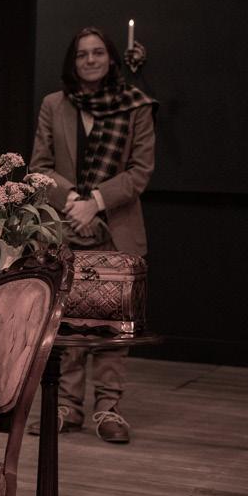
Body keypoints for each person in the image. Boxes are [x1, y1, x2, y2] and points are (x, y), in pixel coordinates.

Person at [31, 27, 156, 443]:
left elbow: (140, 171)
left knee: (113, 323)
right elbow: (40, 166)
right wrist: (74, 202)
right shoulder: (54, 105)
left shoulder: (136, 105)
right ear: (73, 61)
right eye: (82, 54)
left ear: (111, 58)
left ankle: (108, 409)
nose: (90, 60)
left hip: (116, 229)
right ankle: (67, 406)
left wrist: (96, 202)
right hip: (65, 226)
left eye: (98, 52)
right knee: (67, 321)